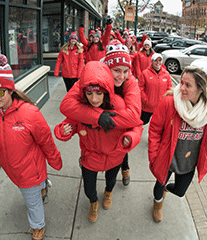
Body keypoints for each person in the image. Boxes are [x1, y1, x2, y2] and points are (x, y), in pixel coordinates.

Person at [0, 54, 62, 240]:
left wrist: (55, 159)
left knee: (32, 202)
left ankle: (38, 226)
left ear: (11, 90)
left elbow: (45, 140)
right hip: (12, 169)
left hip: (30, 168)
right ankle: (43, 186)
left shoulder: (29, 113)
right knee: (33, 190)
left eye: (1, 92)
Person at [55, 61, 143, 222]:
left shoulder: (119, 103)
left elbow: (136, 125)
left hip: (114, 155)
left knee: (111, 182)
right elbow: (69, 121)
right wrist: (63, 130)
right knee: (89, 190)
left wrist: (130, 138)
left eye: (99, 94)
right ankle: (93, 203)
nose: (94, 99)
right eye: (89, 94)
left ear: (106, 92)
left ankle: (108, 194)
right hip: (90, 157)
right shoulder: (81, 106)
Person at [60, 40, 142, 186]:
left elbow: (134, 117)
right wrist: (97, 117)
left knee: (123, 149)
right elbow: (67, 105)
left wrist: (99, 120)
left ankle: (125, 169)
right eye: (116, 70)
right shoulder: (93, 79)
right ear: (106, 68)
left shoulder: (130, 81)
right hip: (99, 140)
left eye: (125, 71)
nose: (121, 77)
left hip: (118, 133)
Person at [148, 66, 207, 223]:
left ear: (200, 89)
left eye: (188, 85)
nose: (181, 88)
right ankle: (157, 204)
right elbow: (154, 130)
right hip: (167, 158)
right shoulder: (169, 103)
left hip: (188, 162)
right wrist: (154, 156)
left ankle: (166, 189)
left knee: (180, 192)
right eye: (181, 83)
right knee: (158, 189)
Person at [139, 53, 172, 125]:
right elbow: (140, 88)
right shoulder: (145, 73)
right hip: (147, 107)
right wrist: (146, 100)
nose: (158, 63)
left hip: (160, 107)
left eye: (159, 60)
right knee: (141, 124)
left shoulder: (166, 74)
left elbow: (169, 89)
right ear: (151, 61)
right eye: (155, 60)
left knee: (157, 126)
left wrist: (165, 101)